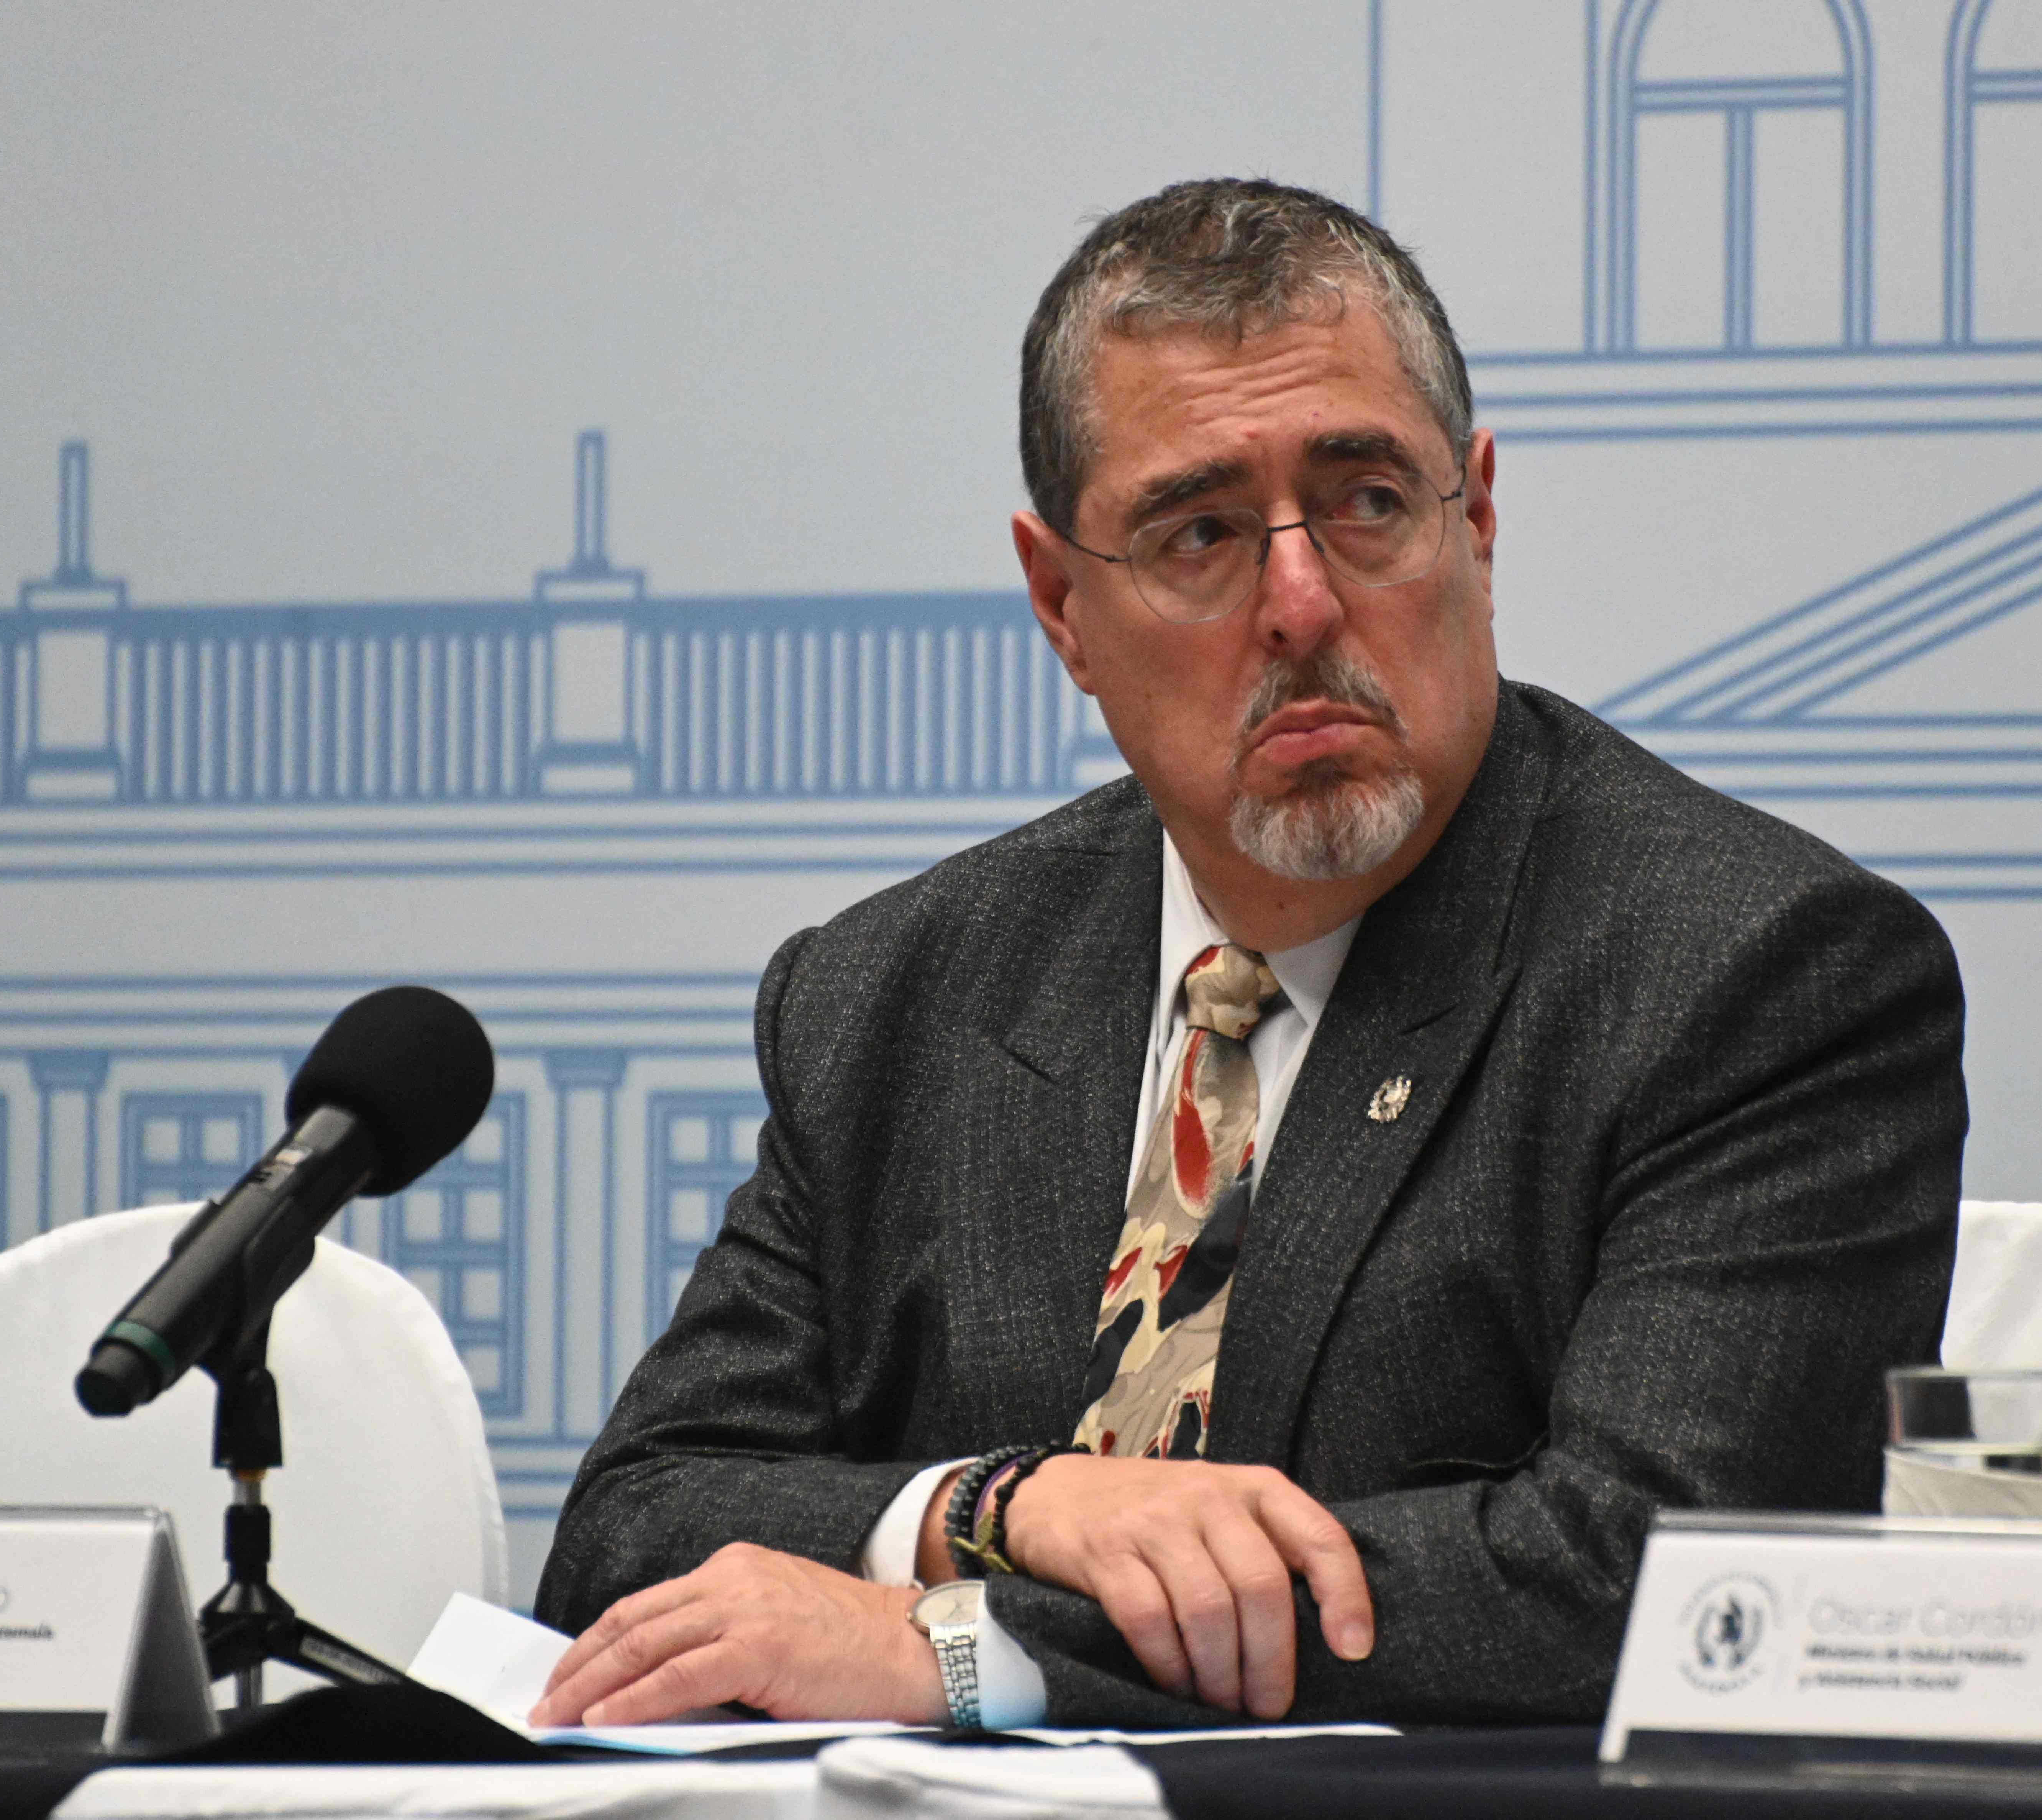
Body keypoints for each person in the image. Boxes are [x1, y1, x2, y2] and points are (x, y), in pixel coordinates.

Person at [531, 177, 1966, 1730]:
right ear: (1060, 606)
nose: (1299, 602)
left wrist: (967, 1654)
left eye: (1364, 503)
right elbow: (632, 1544)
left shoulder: (1749, 970)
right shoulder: (894, 996)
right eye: (1200, 532)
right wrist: (1002, 1506)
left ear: (1474, 524)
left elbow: (1658, 1579)